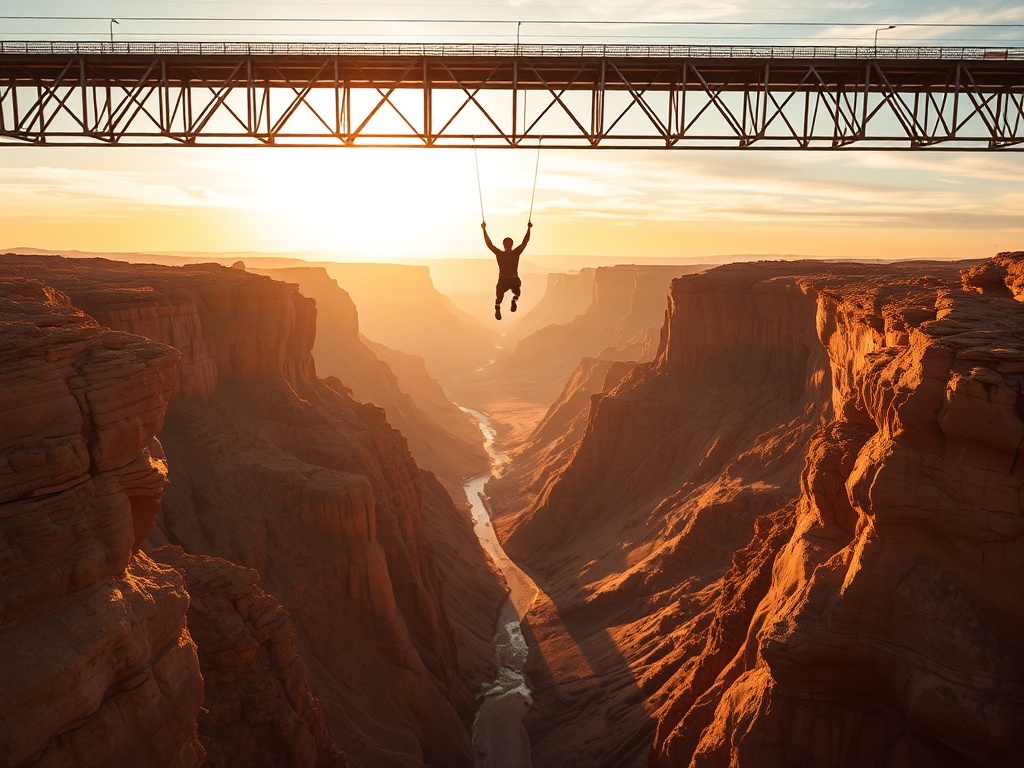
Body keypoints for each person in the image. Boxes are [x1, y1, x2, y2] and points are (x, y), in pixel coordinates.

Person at [482, 221, 531, 320]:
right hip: (514, 279)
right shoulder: (516, 253)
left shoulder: (499, 254)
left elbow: (489, 244)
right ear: (512, 244)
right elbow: (525, 242)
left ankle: (497, 307)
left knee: (499, 298)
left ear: (503, 245)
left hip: (503, 280)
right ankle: (514, 300)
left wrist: (484, 230)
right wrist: (529, 228)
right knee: (517, 292)